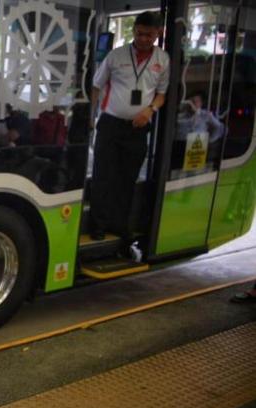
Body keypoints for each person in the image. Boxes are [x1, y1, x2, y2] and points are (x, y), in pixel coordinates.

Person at [89, 11, 170, 246]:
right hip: (110, 125)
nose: (144, 38)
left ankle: (120, 224)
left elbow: (162, 94)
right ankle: (99, 225)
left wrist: (150, 110)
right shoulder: (116, 56)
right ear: (134, 30)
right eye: (140, 33)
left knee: (127, 179)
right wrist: (91, 116)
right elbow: (96, 86)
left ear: (158, 33)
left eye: (149, 35)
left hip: (137, 129)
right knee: (103, 176)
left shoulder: (162, 60)